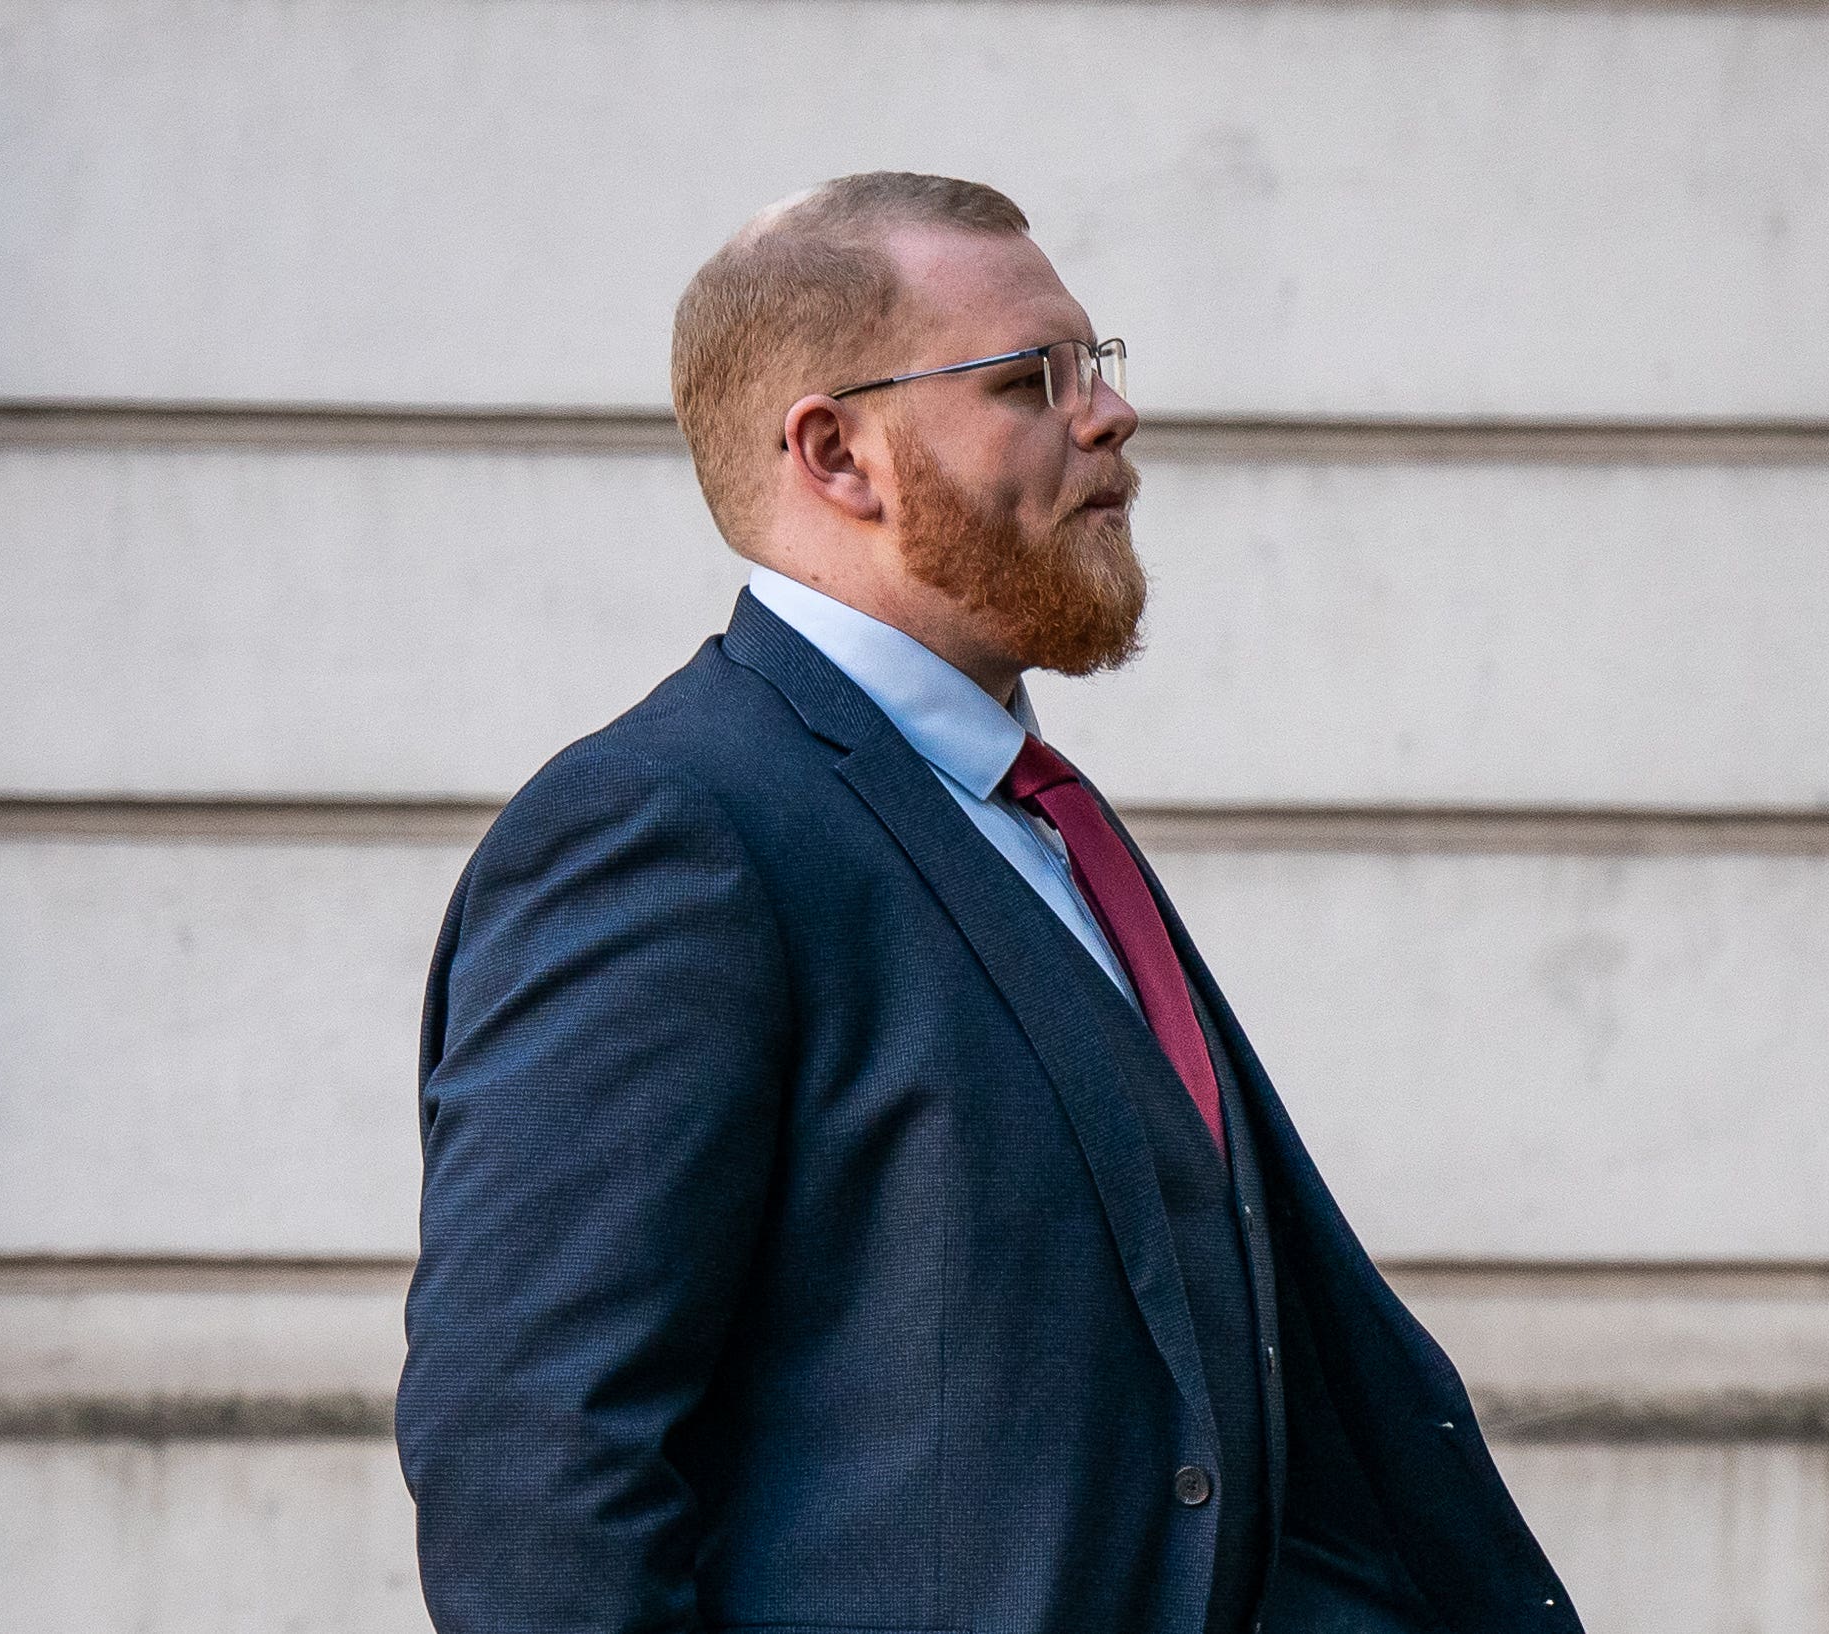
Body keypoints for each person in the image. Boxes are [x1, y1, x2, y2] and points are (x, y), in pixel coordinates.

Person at [398, 171, 1580, 1634]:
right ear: (839, 454)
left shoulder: (1038, 820)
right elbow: (533, 1481)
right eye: (1031, 379)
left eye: (1096, 366)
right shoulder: (666, 831)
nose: (1109, 414)